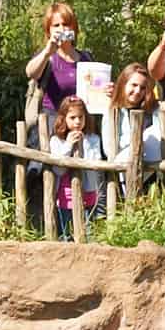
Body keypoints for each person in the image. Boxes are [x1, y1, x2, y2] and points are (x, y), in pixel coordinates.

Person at [47, 94, 104, 239]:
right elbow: (58, 169)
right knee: (67, 235)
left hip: (88, 194)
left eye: (81, 117)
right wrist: (68, 145)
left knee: (89, 233)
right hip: (66, 197)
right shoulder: (56, 141)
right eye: (72, 118)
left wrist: (83, 145)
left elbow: (95, 164)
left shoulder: (93, 139)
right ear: (63, 119)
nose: (77, 121)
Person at [108, 64, 165, 183]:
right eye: (134, 85)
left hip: (151, 173)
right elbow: (108, 148)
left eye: (142, 87)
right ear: (124, 83)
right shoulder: (114, 110)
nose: (137, 91)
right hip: (122, 173)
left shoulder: (152, 110)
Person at [24, 2, 89, 108]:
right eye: (56, 25)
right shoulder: (46, 57)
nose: (62, 29)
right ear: (48, 31)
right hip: (52, 120)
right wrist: (47, 52)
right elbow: (30, 73)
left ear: (74, 28)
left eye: (66, 24)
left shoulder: (86, 58)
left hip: (80, 120)